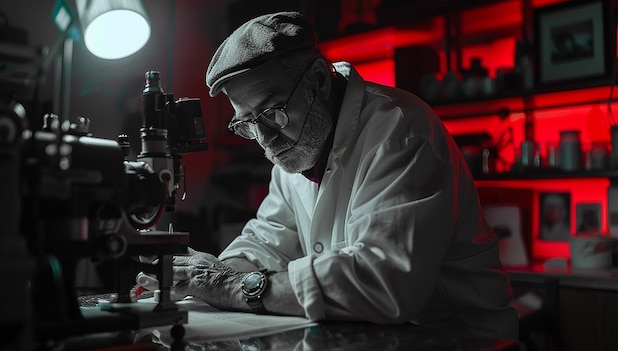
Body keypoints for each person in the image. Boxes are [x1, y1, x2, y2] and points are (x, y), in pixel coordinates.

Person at [151, 11, 518, 339]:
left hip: (458, 339)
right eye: (247, 123)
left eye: (273, 112)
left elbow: (383, 283)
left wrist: (231, 286)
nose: (264, 139)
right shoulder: (294, 151)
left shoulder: (399, 132)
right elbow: (267, 242)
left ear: (319, 81)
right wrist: (202, 278)